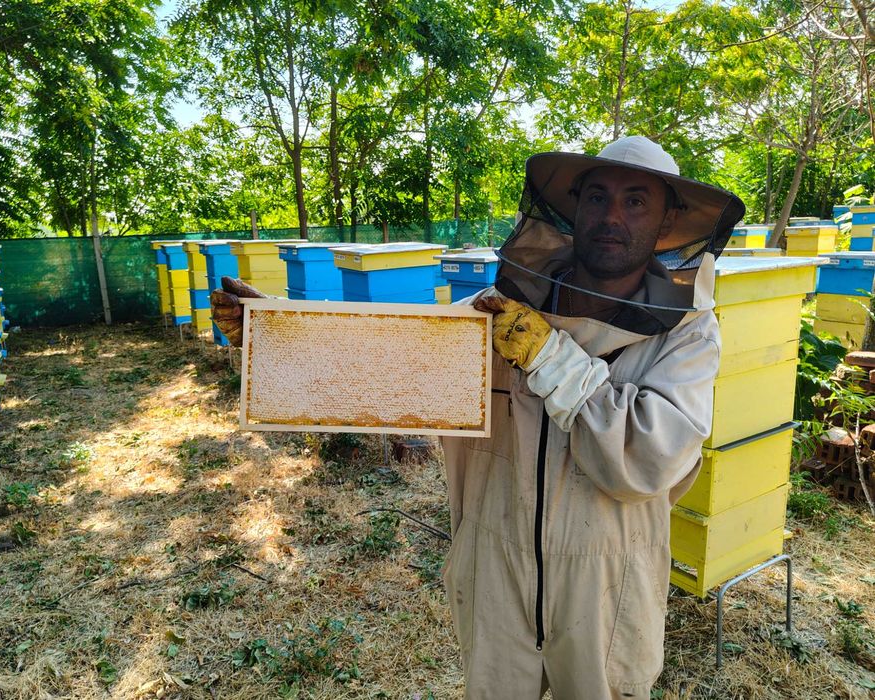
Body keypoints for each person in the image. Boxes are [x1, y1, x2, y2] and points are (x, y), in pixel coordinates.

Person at [210, 135, 745, 699]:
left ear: (666, 223)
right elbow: (394, 369)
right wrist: (282, 345)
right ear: (572, 208)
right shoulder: (496, 310)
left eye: (636, 201)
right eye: (596, 198)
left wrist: (549, 358)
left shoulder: (688, 333)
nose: (612, 216)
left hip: (609, 572)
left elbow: (647, 458)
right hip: (493, 557)